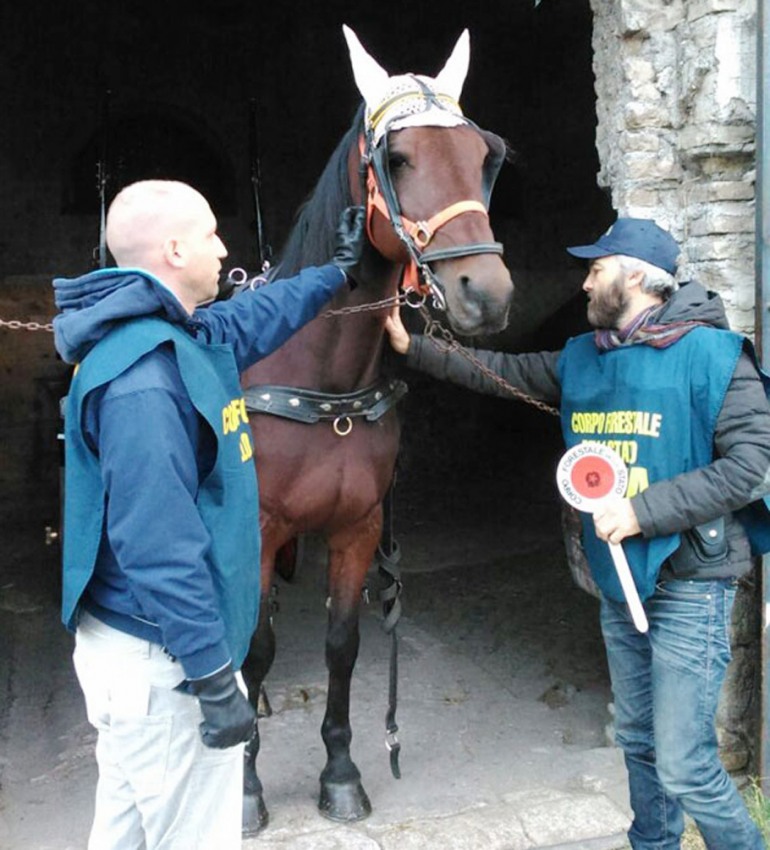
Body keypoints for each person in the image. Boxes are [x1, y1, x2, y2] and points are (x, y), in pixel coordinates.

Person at [385, 217, 770, 850]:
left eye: (597, 269)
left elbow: (750, 466)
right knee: (639, 742)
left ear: (639, 279)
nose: (585, 282)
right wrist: (414, 348)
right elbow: (500, 373)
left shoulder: (716, 357)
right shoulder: (583, 359)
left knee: (687, 765)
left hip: (690, 583)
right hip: (616, 582)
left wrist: (645, 511)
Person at [52, 179, 365, 850]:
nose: (224, 249)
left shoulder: (169, 334)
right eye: (210, 235)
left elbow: (251, 321)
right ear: (172, 249)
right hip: (163, 669)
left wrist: (332, 277)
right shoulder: (144, 381)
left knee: (127, 835)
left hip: (147, 657)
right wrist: (212, 676)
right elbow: (156, 545)